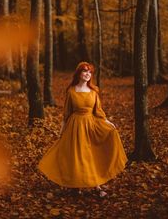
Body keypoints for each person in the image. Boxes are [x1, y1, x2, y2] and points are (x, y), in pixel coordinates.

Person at [38, 62, 127, 197]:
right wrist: (62, 129)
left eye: (90, 72)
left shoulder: (94, 91)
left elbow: (98, 111)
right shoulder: (71, 91)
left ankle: (97, 186)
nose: (87, 74)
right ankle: (76, 185)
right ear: (79, 74)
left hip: (91, 125)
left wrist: (107, 122)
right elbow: (67, 113)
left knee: (90, 155)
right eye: (85, 71)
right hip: (75, 126)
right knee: (76, 156)